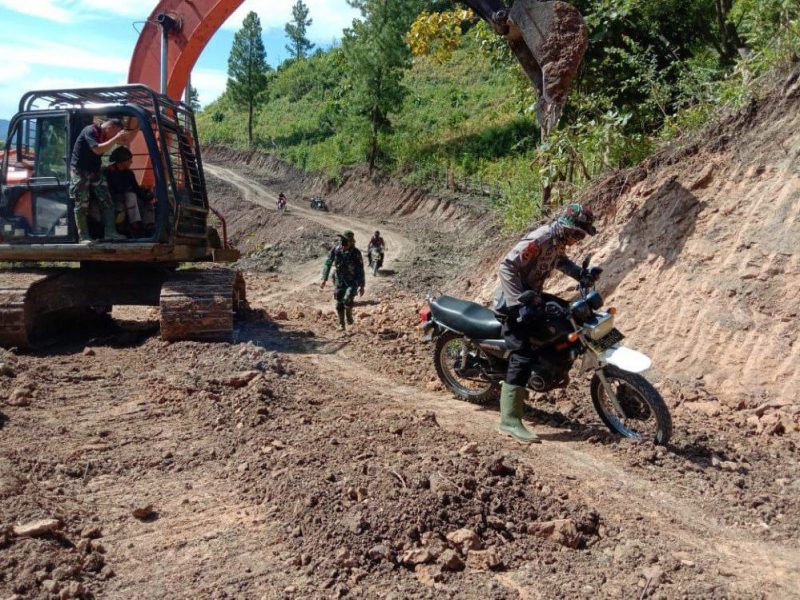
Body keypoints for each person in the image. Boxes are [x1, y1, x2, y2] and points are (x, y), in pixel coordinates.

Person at [493, 203, 601, 443]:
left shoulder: (557, 242)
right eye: (577, 234)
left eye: (580, 237)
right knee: (522, 355)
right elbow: (507, 266)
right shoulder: (541, 238)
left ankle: (554, 368)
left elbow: (560, 261)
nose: (577, 240)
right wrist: (518, 304)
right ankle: (509, 421)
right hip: (513, 304)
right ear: (566, 227)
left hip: (533, 299)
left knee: (569, 317)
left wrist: (581, 274)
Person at [70, 118, 136, 243]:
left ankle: (110, 233)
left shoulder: (107, 134)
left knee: (107, 200)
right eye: (115, 132)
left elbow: (125, 141)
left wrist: (136, 127)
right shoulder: (90, 131)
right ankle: (83, 236)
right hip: (80, 171)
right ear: (109, 127)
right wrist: (115, 139)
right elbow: (97, 149)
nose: (115, 136)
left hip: (95, 171)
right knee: (82, 203)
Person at [104, 146, 154, 238]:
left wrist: (148, 196)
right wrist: (127, 191)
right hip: (114, 199)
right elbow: (112, 189)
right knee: (130, 196)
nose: (131, 162)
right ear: (122, 160)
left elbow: (136, 188)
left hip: (129, 199)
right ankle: (134, 224)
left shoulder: (129, 173)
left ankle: (149, 227)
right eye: (129, 160)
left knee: (147, 203)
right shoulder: (109, 172)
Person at [320, 230, 365, 331]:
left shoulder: (356, 252)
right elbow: (328, 263)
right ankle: (341, 324)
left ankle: (348, 314)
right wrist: (324, 279)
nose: (344, 243)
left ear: (351, 241)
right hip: (339, 280)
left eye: (347, 241)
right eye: (343, 240)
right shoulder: (336, 250)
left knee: (347, 298)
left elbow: (360, 269)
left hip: (352, 281)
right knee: (339, 303)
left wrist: (362, 285)